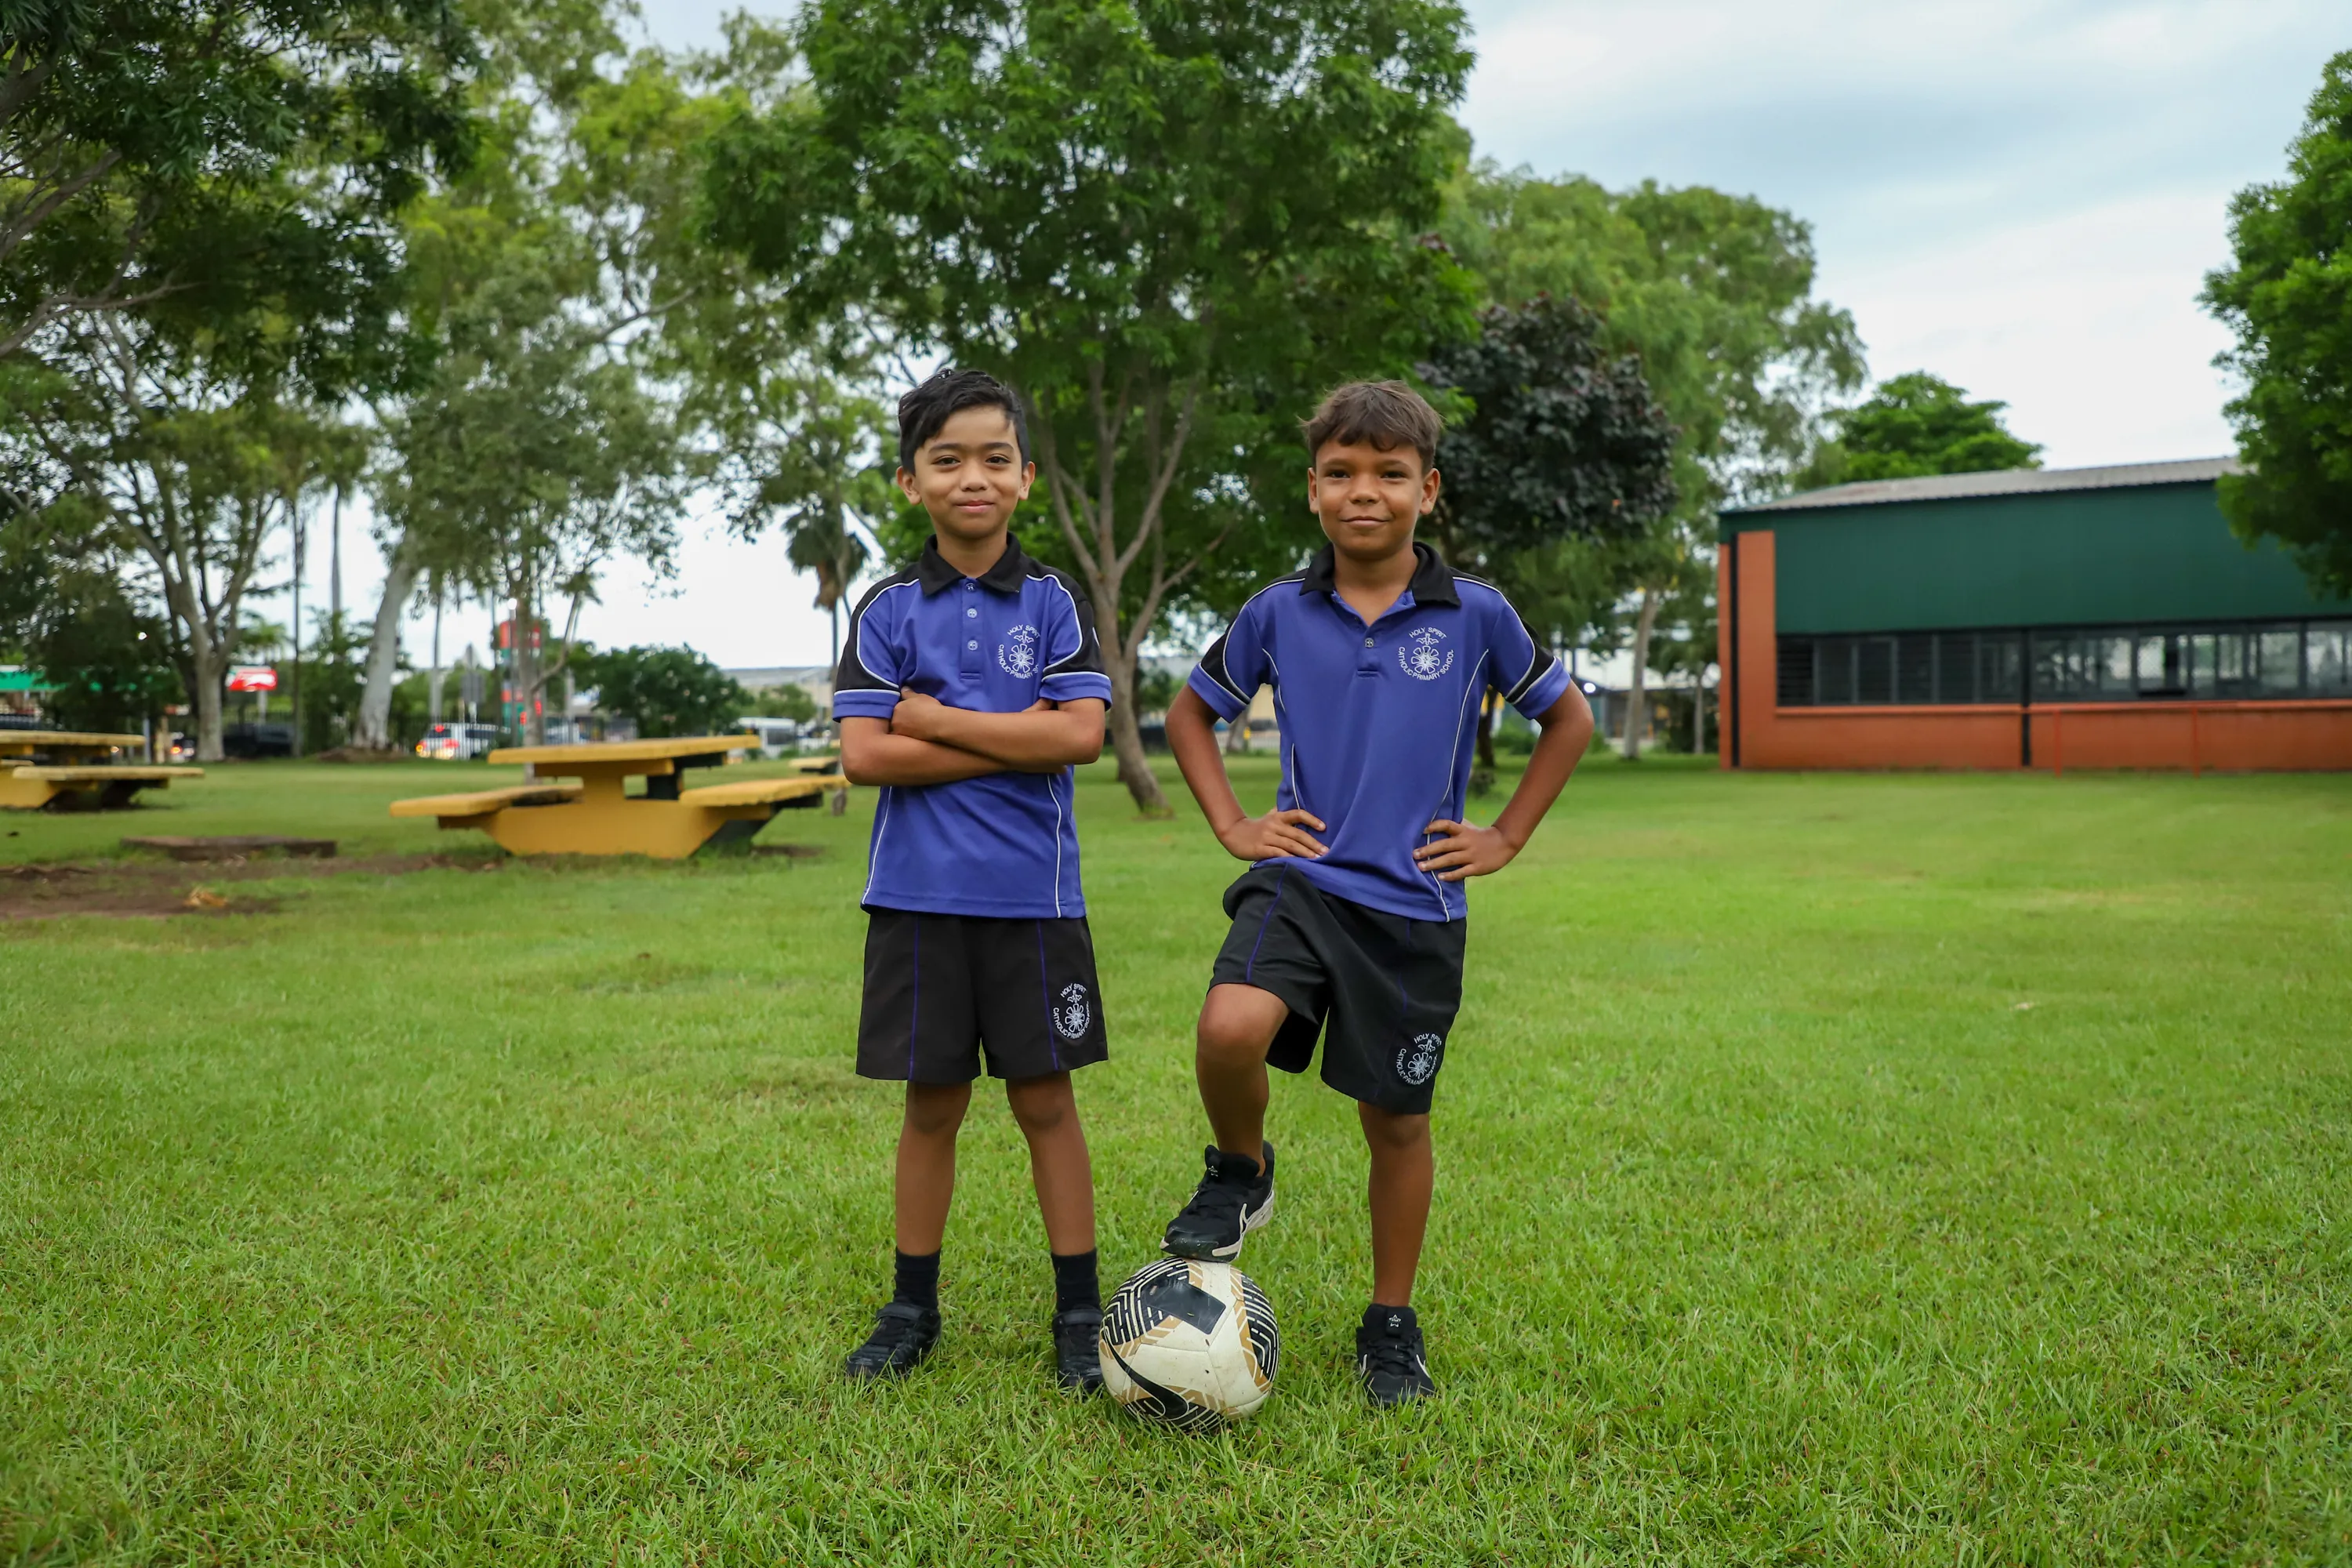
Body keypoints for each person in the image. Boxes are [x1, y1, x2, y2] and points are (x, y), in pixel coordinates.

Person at [1157, 379, 1596, 1406]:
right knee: (1229, 1030)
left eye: (1390, 475)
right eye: (1343, 474)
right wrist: (1232, 823)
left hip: (1415, 908)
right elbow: (1189, 715)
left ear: (1427, 490)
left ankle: (1390, 1323)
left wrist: (1507, 835)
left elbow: (1567, 720)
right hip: (1300, 882)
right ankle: (1240, 1167)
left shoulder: (1477, 614)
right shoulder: (1277, 611)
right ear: (1313, 490)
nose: (1367, 493)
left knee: (1395, 1124)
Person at [831, 368, 1114, 1392]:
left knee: (1047, 1102)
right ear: (910, 482)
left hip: (1032, 905)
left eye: (996, 458)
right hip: (915, 902)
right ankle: (912, 1309)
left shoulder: (1051, 601)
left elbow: (1080, 734)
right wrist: (1015, 738)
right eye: (946, 460)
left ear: (1027, 476)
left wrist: (935, 717)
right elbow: (865, 758)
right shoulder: (888, 608)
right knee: (931, 1106)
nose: (973, 478)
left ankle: (1079, 1315)